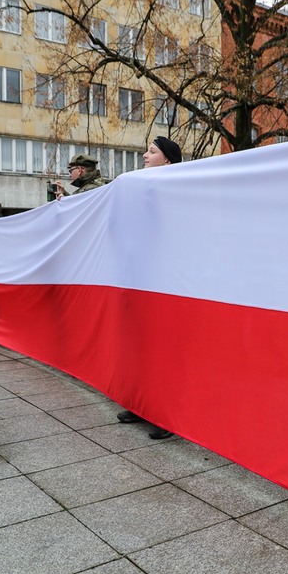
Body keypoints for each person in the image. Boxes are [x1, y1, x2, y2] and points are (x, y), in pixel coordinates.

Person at [117, 136, 183, 440]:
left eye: (152, 152)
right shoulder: (140, 188)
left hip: (168, 285)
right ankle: (142, 405)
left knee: (165, 350)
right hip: (142, 282)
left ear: (167, 160)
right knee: (140, 346)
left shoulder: (180, 190)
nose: (145, 155)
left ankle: (166, 415)